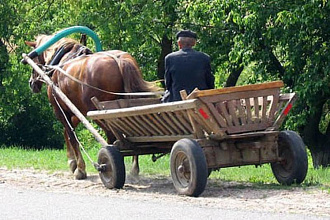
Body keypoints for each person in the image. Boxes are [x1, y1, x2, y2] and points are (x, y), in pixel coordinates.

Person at [162, 30, 214, 102]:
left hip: (177, 102)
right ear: (194, 43)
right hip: (201, 102)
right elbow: (210, 82)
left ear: (179, 43)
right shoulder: (204, 58)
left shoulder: (170, 58)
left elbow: (168, 83)